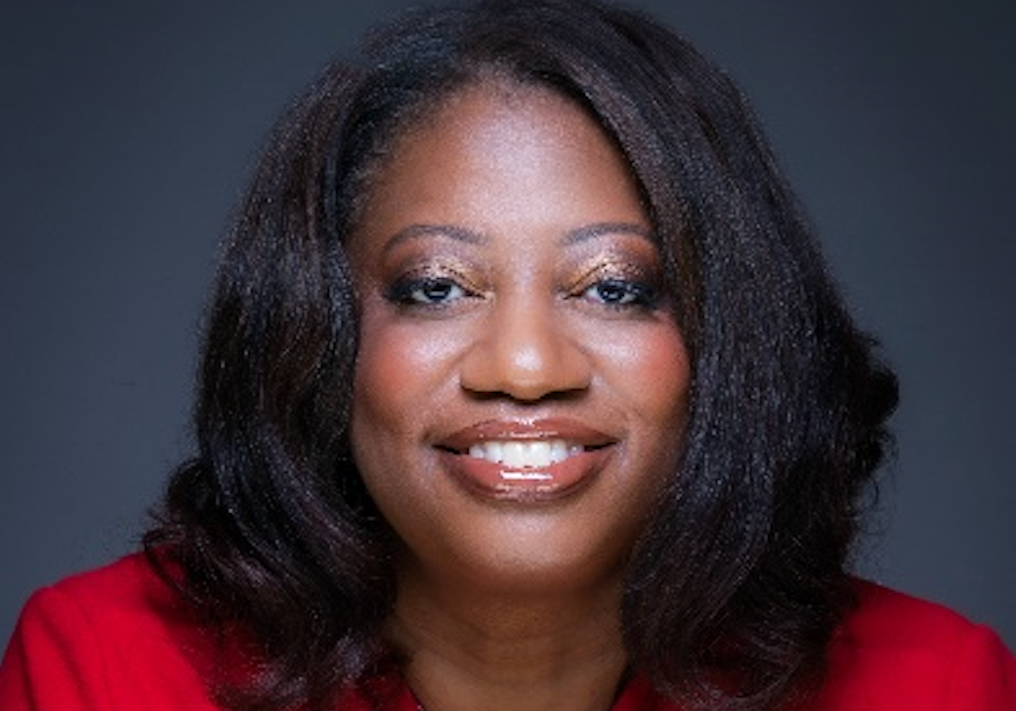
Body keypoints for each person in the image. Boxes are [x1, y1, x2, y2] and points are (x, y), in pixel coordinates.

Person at [1, 0, 1013, 709]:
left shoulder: (935, 686)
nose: (524, 368)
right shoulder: (104, 669)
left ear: (723, 339)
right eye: (435, 288)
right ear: (318, 338)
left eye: (613, 288)